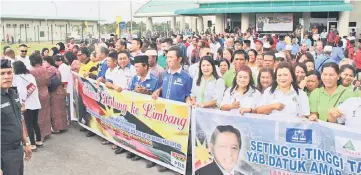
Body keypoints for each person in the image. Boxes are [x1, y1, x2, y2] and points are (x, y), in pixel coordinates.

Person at [152, 46, 192, 172]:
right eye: (167, 57)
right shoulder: (164, 74)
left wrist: (189, 100)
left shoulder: (186, 77)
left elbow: (188, 94)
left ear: (179, 59)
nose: (168, 59)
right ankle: (165, 161)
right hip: (164, 113)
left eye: (171, 57)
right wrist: (157, 91)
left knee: (179, 140)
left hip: (179, 115)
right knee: (164, 136)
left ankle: (180, 166)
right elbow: (161, 87)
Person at [1, 59, 32, 175]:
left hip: (17, 150)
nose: (6, 77)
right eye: (2, 74)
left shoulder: (13, 93)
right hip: (4, 154)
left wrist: (26, 143)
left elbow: (19, 119)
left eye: (9, 73)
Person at [12, 61, 42, 151]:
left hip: (27, 104)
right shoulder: (30, 76)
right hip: (36, 102)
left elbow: (22, 92)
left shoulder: (18, 78)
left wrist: (22, 103)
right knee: (35, 123)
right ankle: (39, 140)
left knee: (28, 124)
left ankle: (32, 143)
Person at [29, 54, 51, 141]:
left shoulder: (32, 71)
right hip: (45, 90)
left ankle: (40, 134)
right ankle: (47, 132)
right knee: (46, 112)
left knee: (38, 115)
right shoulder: (45, 68)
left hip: (37, 92)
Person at [43, 57, 68, 133]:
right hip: (60, 90)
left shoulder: (49, 70)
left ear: (48, 62)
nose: (43, 64)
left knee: (55, 110)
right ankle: (63, 126)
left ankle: (57, 128)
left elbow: (45, 79)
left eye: (44, 62)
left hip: (55, 92)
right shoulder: (54, 68)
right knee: (61, 110)